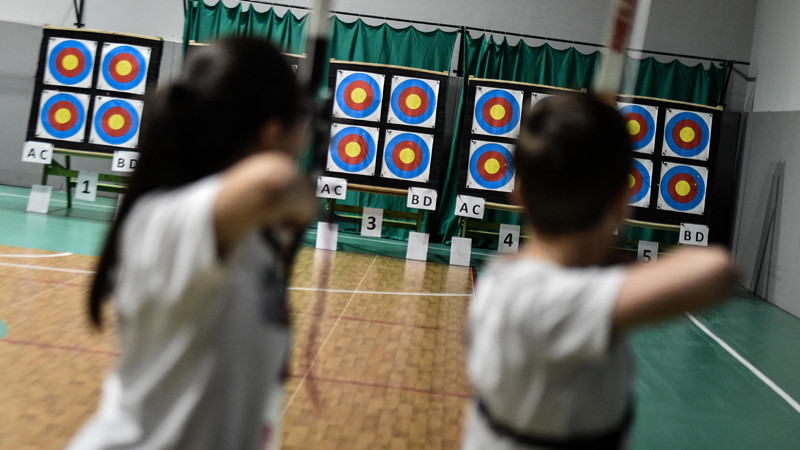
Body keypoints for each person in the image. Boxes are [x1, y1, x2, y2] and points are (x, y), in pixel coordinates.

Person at [68, 37, 316, 449]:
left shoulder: (244, 240)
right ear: (272, 135)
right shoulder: (167, 220)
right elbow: (273, 183)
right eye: (301, 125)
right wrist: (303, 196)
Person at [462, 93, 739, 449]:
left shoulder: (502, 279)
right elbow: (718, 269)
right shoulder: (551, 303)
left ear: (519, 193)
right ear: (623, 203)